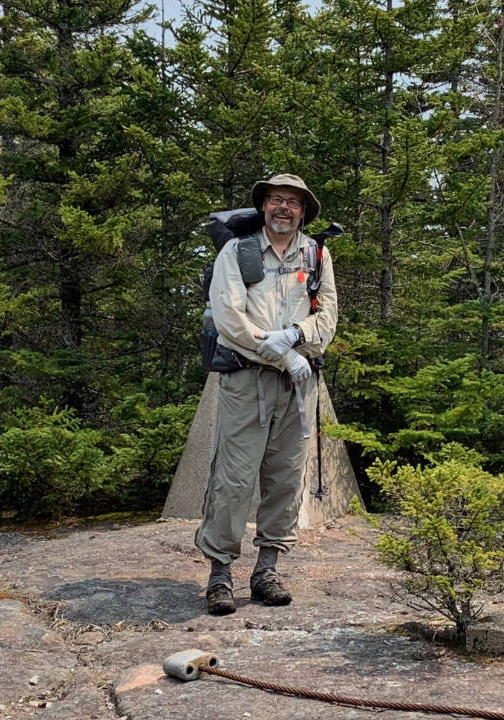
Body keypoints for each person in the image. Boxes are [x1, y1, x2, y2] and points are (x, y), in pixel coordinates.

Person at [195, 173, 338, 615]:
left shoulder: (316, 254)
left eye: (292, 203)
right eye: (276, 200)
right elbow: (228, 318)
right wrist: (278, 353)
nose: (283, 208)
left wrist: (297, 335)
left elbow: (328, 318)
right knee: (234, 478)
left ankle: (267, 570)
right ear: (263, 206)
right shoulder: (236, 252)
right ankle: (219, 575)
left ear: (304, 210)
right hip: (247, 378)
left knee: (286, 477)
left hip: (299, 384)